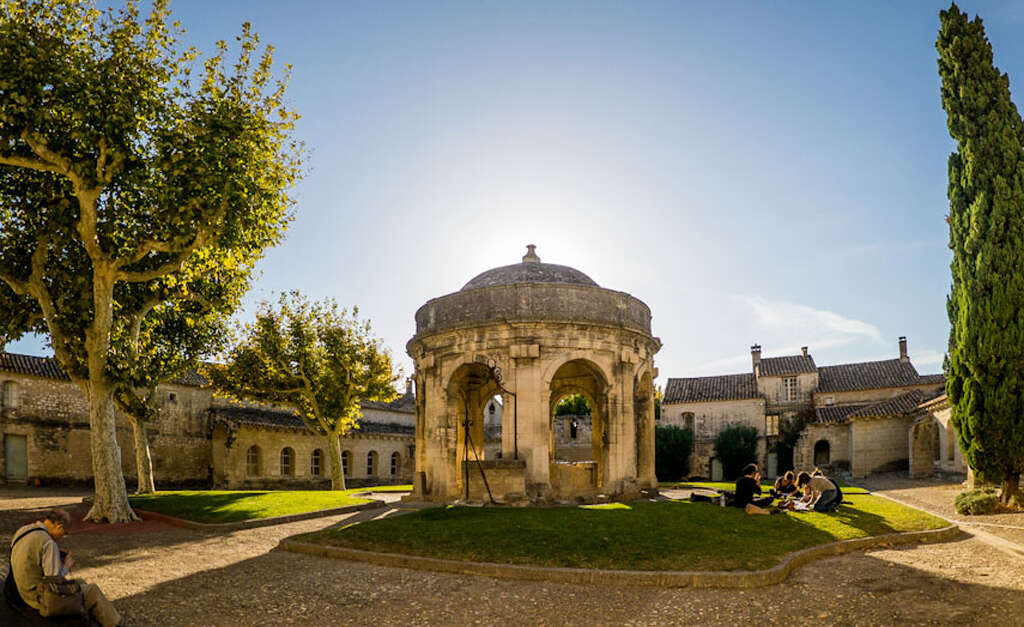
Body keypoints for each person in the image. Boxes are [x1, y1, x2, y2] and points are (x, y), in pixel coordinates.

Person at [8, 508, 122, 626]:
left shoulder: (24, 531)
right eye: (65, 532)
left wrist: (55, 557)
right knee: (93, 591)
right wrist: (66, 566)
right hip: (37, 599)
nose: (63, 536)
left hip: (21, 589)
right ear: (59, 527)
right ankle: (115, 624)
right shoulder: (48, 543)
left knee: (81, 582)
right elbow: (54, 580)